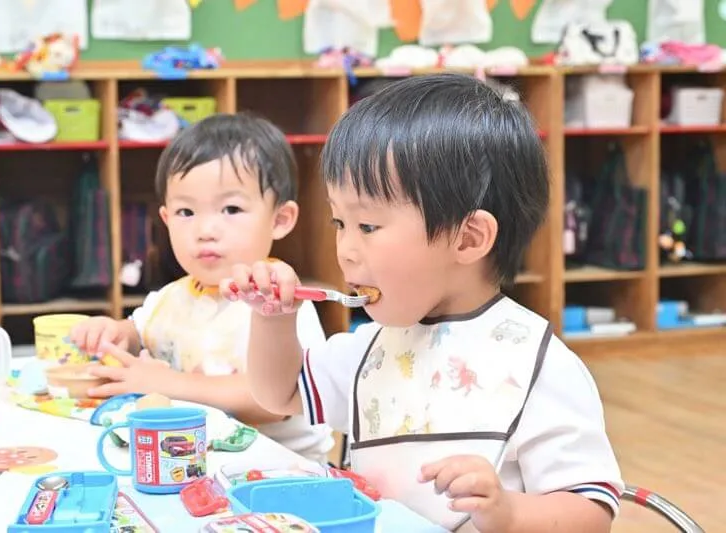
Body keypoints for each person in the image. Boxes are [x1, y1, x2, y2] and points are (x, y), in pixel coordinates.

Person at [221, 73, 624, 532]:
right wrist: (274, 319)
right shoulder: (372, 346)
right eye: (340, 222)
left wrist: (508, 513)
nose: (346, 249)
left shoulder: (537, 364)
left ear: (468, 239)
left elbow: (591, 515)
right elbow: (280, 393)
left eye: (368, 226)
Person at [70, 113, 333, 463]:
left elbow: (272, 401)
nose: (206, 229)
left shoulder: (280, 302)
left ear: (280, 220)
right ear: (166, 220)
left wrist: (168, 385)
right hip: (193, 465)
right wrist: (112, 332)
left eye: (231, 208)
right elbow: (140, 332)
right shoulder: (170, 298)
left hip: (281, 473)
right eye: (186, 212)